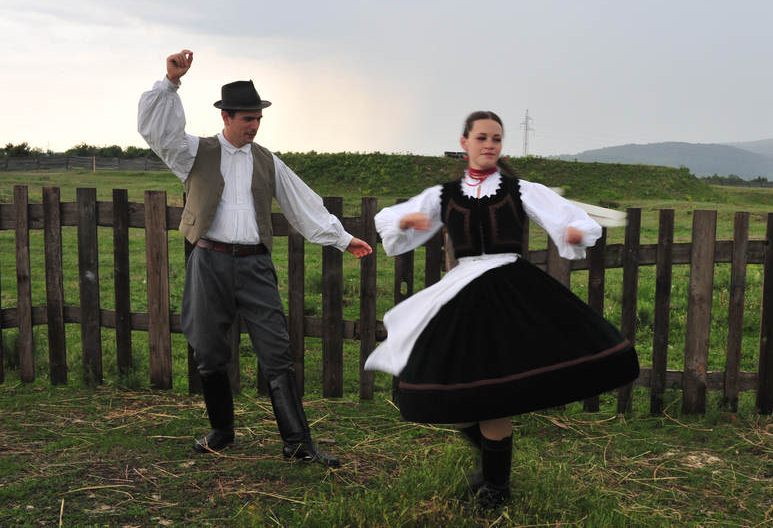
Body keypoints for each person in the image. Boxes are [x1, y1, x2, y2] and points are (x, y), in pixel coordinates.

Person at [364, 111, 639, 510]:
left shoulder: (519, 189)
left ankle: (496, 487)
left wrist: (574, 232)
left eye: (496, 139)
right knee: (457, 399)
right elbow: (392, 221)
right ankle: (492, 463)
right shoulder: (444, 194)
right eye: (482, 138)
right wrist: (406, 219)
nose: (489, 145)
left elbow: (565, 219)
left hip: (510, 289)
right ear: (465, 143)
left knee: (493, 399)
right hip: (462, 293)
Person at [137, 50, 372, 469]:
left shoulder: (267, 161)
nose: (255, 125)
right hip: (208, 262)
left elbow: (303, 204)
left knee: (276, 350)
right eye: (247, 118)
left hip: (254, 265)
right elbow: (158, 132)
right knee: (208, 350)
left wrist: (342, 238)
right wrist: (170, 83)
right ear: (226, 116)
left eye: (259, 118)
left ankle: (298, 442)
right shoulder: (193, 152)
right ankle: (222, 432)